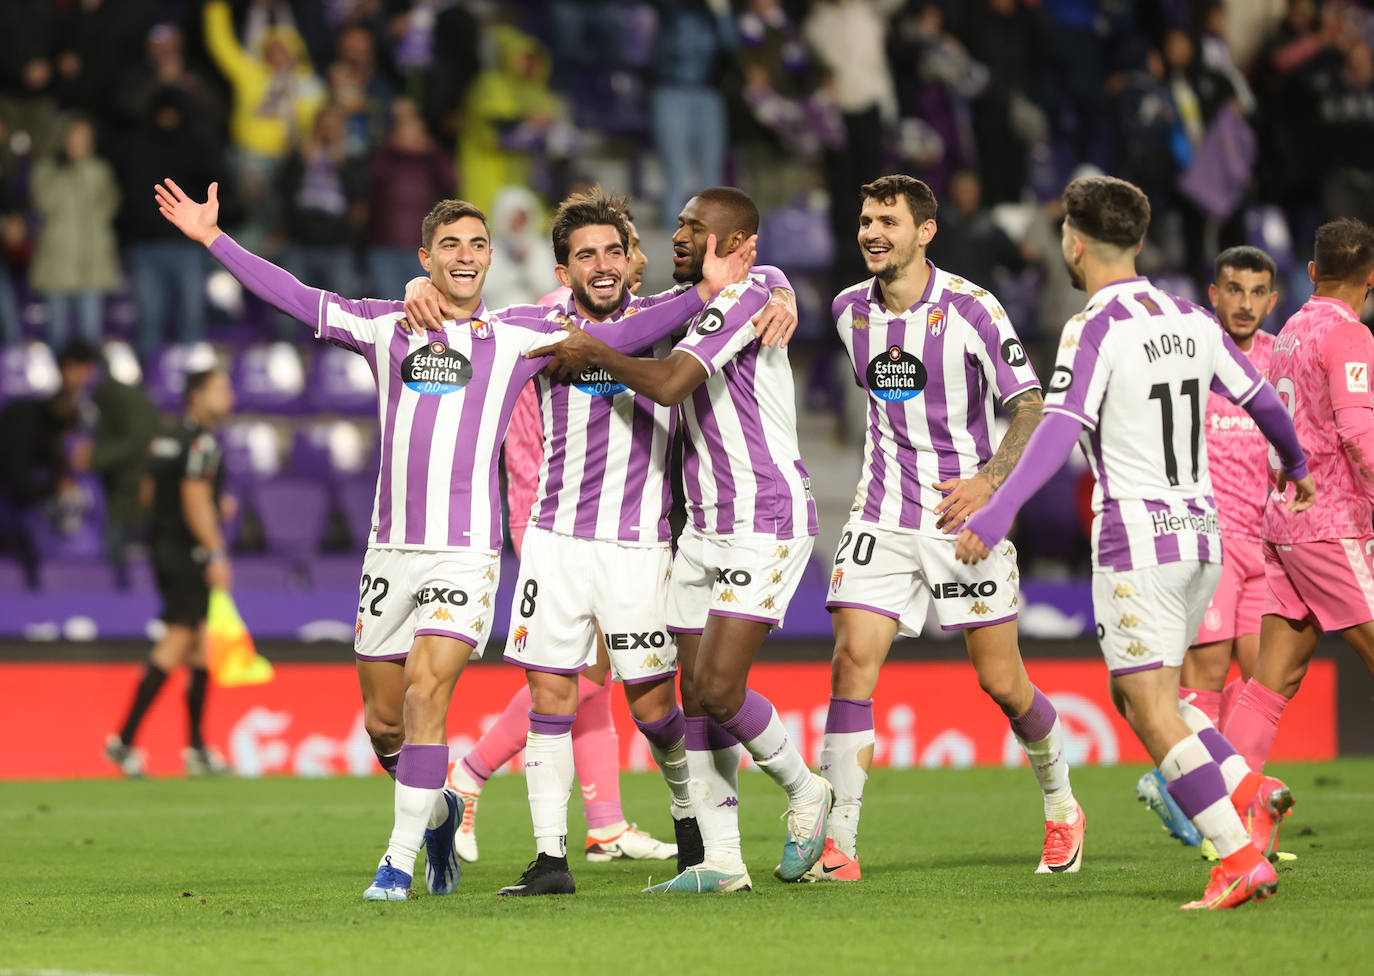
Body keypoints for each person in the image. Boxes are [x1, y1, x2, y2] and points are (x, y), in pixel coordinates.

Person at [151, 178, 750, 902]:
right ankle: (434, 809)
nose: (465, 257)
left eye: (477, 245)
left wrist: (711, 292)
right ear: (425, 258)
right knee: (384, 725)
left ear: (491, 258)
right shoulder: (386, 326)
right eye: (449, 247)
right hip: (388, 554)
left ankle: (395, 866)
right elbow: (295, 296)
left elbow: (618, 337)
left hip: (467, 553)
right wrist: (215, 239)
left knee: (428, 689)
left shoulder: (519, 338)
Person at [956, 175, 1314, 910]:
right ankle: (1250, 785)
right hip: (1203, 539)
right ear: (1140, 242)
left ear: (1072, 242)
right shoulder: (1189, 316)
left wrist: (996, 509)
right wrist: (1297, 464)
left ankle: (1238, 858)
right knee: (1138, 693)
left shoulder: (1093, 326)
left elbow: (1060, 429)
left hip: (1138, 544)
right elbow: (1264, 400)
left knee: (1150, 706)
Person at [533, 187, 825, 894]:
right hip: (702, 525)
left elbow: (668, 385)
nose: (679, 235)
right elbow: (638, 340)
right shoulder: (698, 299)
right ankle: (720, 862)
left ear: (736, 241)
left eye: (695, 228)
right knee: (695, 694)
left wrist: (588, 355)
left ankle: (806, 787)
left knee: (720, 690)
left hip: (765, 517)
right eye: (681, 225)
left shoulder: (749, 297)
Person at [810, 172, 1083, 883]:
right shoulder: (846, 310)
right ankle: (838, 843)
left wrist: (990, 484)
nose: (872, 232)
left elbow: (1030, 406)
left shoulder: (972, 309)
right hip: (882, 513)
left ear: (924, 232)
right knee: (851, 660)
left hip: (965, 515)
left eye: (888, 222)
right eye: (866, 219)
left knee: (1002, 681)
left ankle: (1062, 805)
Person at [1136, 246, 1281, 847]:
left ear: (1273, 299)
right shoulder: (1192, 354)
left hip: (1268, 547)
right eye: (1233, 289)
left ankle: (1216, 805)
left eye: (1256, 292)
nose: (1244, 303)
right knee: (1208, 675)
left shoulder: (1280, 359)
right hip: (1208, 539)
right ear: (1213, 293)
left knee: (1261, 681)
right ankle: (1212, 817)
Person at [1223, 218, 1374, 783]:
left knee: (1271, 682)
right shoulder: (1350, 335)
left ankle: (1229, 815)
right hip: (1333, 524)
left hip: (1282, 524)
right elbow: (1359, 436)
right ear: (1371, 277)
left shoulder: (1288, 330)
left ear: (1313, 272)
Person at [105, 368, 235, 778]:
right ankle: (123, 740)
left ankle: (196, 747)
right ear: (196, 396)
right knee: (179, 638)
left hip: (164, 546)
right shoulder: (201, 442)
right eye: (219, 388)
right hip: (187, 553)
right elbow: (194, 497)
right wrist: (214, 550)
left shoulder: (166, 439)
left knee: (199, 646)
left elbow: (148, 493)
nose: (227, 395)